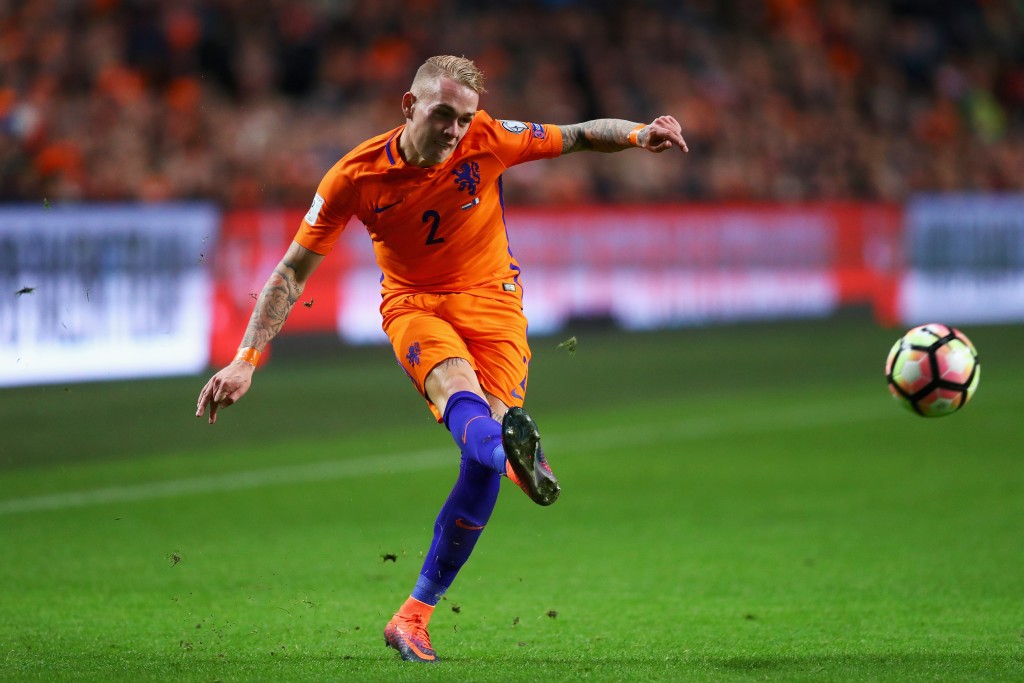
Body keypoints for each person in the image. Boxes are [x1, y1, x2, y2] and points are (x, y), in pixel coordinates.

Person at [195, 54, 687, 664]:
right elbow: (293, 271)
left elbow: (581, 134)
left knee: (480, 463)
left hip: (495, 306)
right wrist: (245, 357)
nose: (455, 130)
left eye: (464, 119)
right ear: (410, 105)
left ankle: (413, 616)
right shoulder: (354, 175)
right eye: (443, 115)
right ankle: (515, 459)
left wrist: (640, 134)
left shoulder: (490, 138)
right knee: (459, 391)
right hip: (415, 305)